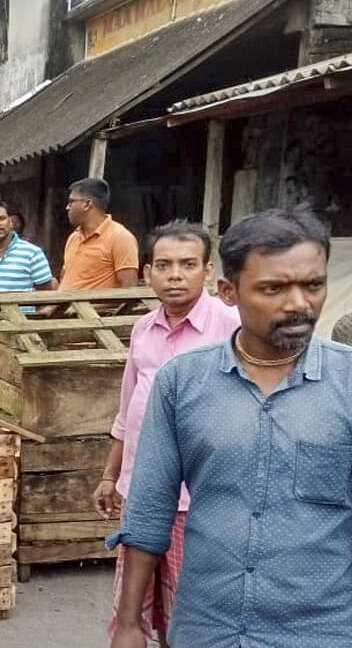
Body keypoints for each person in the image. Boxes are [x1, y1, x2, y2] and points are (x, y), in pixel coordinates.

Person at [109, 205, 350, 648]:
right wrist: (128, 623)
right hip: (207, 627)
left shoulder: (347, 383)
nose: (299, 303)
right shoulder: (181, 383)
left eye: (313, 285)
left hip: (322, 630)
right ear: (228, 291)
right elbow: (149, 510)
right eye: (274, 288)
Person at [92, 221, 241, 646]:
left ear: (208, 270)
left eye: (188, 264)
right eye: (164, 265)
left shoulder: (231, 327)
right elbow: (128, 410)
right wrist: (110, 475)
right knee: (132, 612)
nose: (175, 274)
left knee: (190, 614)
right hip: (140, 491)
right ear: (147, 273)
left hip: (200, 499)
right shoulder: (144, 329)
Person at [61, 178, 140, 290]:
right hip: (65, 306)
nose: (67, 207)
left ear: (87, 204)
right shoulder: (73, 237)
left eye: (71, 201)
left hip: (94, 308)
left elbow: (129, 287)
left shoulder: (120, 237)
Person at [0, 202, 56, 298]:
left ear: (10, 222)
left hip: (23, 313)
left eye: (1, 219)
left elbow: (46, 297)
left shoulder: (32, 253)